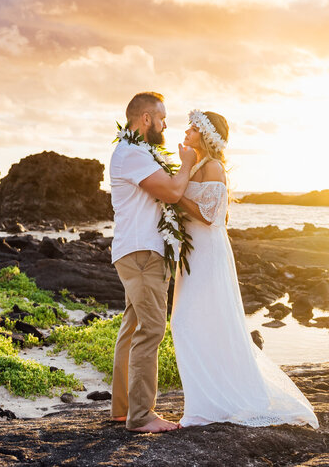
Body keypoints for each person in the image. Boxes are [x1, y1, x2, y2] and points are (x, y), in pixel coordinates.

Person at [169, 109, 319, 428]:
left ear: (207, 136)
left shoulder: (211, 166)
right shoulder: (195, 164)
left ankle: (207, 406)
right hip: (193, 251)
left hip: (207, 252)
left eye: (193, 128)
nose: (187, 131)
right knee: (191, 321)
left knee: (192, 321)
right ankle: (203, 402)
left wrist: (176, 195)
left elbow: (212, 216)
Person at [108, 91, 196, 433]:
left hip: (136, 250)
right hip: (142, 253)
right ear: (145, 119)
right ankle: (141, 416)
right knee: (152, 329)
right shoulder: (132, 154)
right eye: (162, 119)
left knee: (132, 328)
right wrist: (186, 163)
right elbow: (172, 192)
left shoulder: (135, 152)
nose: (165, 125)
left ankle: (123, 408)